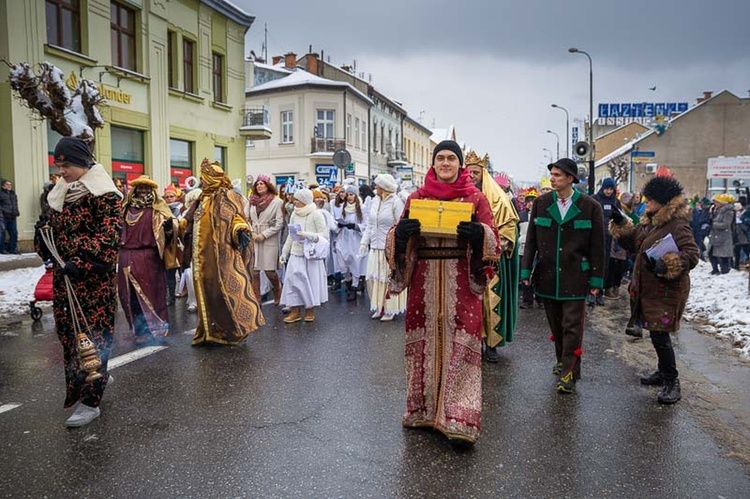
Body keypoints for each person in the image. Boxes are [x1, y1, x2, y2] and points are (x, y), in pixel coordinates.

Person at [386, 140, 500, 446]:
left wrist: (480, 236)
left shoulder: (475, 198)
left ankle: (459, 420)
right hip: (423, 280)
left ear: (460, 165)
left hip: (461, 281)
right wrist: (401, 235)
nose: (445, 163)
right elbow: (395, 239)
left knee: (461, 345)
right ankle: (422, 412)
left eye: (451, 158)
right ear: (433, 163)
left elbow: (494, 238)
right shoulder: (416, 197)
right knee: (423, 343)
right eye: (440, 158)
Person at [35, 137, 122, 427]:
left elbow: (109, 238)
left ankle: (90, 400)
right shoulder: (59, 194)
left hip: (93, 282)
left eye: (67, 165)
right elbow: (52, 236)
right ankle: (90, 380)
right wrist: (43, 238)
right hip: (65, 280)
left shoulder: (105, 194)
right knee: (71, 339)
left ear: (84, 164)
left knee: (94, 338)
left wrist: (82, 261)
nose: (62, 172)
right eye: (59, 165)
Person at [609, 176, 699, 404]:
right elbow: (634, 245)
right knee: (655, 332)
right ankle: (662, 372)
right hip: (650, 288)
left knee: (660, 335)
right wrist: (622, 224)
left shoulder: (678, 226)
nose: (646, 204)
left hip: (667, 290)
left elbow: (692, 255)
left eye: (650, 200)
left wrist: (666, 263)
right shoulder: (650, 223)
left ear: (664, 202)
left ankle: (672, 381)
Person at [521, 158, 605, 394]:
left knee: (572, 327)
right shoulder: (541, 203)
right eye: (553, 174)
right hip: (547, 277)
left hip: (576, 278)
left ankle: (569, 372)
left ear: (571, 179)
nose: (553, 179)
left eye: (558, 175)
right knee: (556, 325)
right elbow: (531, 242)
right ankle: (563, 361)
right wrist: (526, 270)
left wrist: (597, 279)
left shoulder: (590, 207)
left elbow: (598, 247)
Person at [182, 159, 264, 345]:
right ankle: (208, 332)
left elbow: (236, 218)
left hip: (220, 255)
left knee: (222, 292)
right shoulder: (201, 199)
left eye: (205, 178)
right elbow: (190, 222)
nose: (202, 182)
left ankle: (231, 331)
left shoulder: (227, 196)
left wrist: (240, 230)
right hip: (201, 255)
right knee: (206, 292)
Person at [466, 151, 520, 363]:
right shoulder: (461, 195)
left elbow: (509, 229)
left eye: (476, 172)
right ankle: (471, 343)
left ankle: (491, 345)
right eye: (468, 172)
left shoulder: (499, 198)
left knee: (490, 302)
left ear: (483, 174)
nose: (471, 176)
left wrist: (494, 245)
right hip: (467, 258)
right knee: (470, 303)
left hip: (491, 260)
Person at [118, 175, 178, 344]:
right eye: (140, 188)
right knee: (129, 296)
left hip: (148, 258)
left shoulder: (158, 209)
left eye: (146, 188)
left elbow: (171, 231)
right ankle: (139, 329)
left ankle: (156, 329)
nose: (143, 191)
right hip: (125, 256)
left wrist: (168, 229)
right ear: (134, 190)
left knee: (152, 294)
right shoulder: (124, 209)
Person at [360, 174, 406, 321]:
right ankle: (379, 306)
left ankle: (390, 308)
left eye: (378, 185)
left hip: (390, 248)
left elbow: (401, 225)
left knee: (388, 279)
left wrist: (398, 245)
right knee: (374, 278)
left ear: (384, 187)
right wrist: (363, 242)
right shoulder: (374, 201)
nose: (375, 187)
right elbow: (370, 224)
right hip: (374, 247)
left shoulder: (396, 202)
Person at [279, 188, 329, 323]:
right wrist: (284, 252)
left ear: (304, 201)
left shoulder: (316, 214)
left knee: (309, 283)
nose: (294, 201)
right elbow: (291, 234)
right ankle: (295, 311)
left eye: (297, 200)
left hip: (310, 255)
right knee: (293, 282)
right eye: (294, 199)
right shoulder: (294, 214)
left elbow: (324, 235)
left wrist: (308, 235)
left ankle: (309, 310)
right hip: (296, 253)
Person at [248, 175, 285, 305]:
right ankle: (256, 299)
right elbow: (246, 219)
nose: (259, 186)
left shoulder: (277, 202)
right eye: (257, 184)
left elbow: (279, 223)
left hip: (269, 239)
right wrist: (251, 232)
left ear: (268, 186)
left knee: (269, 271)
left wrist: (264, 235)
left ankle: (277, 290)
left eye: (262, 184)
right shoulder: (251, 201)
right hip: (253, 238)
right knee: (254, 271)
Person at [334, 185, 366, 301]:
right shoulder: (342, 207)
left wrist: (355, 226)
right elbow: (336, 222)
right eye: (348, 194)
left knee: (355, 263)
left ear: (356, 196)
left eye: (352, 194)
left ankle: (354, 287)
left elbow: (366, 225)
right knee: (343, 264)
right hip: (343, 238)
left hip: (355, 239)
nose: (349, 197)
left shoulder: (361, 209)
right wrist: (339, 225)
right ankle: (347, 282)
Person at [593, 177, 621, 306]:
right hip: (595, 236)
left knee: (605, 265)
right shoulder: (595, 199)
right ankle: (591, 292)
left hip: (609, 238)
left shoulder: (615, 202)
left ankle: (600, 292)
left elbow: (619, 218)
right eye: (607, 189)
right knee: (594, 263)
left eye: (611, 189)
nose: (608, 191)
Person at [518, 188, 539, 309]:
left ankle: (540, 299)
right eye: (529, 201)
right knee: (524, 274)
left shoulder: (541, 215)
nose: (531, 203)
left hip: (537, 251)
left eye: (533, 201)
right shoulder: (521, 216)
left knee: (537, 275)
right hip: (523, 249)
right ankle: (527, 300)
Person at [708, 193, 735, 275]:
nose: (715, 204)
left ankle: (725, 270)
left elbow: (726, 224)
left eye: (717, 202)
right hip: (716, 236)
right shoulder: (717, 210)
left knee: (723, 255)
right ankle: (715, 269)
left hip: (723, 236)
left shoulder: (728, 212)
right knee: (711, 253)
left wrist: (714, 224)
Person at [0, 179, 20, 254]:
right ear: (3, 186)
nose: (9, 186)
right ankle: (2, 249)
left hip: (12, 216)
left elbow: (15, 204)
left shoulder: (13, 194)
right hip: (3, 216)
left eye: (10, 185)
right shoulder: (1, 193)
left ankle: (12, 248)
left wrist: (16, 212)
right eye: (7, 184)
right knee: (2, 233)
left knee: (14, 232)